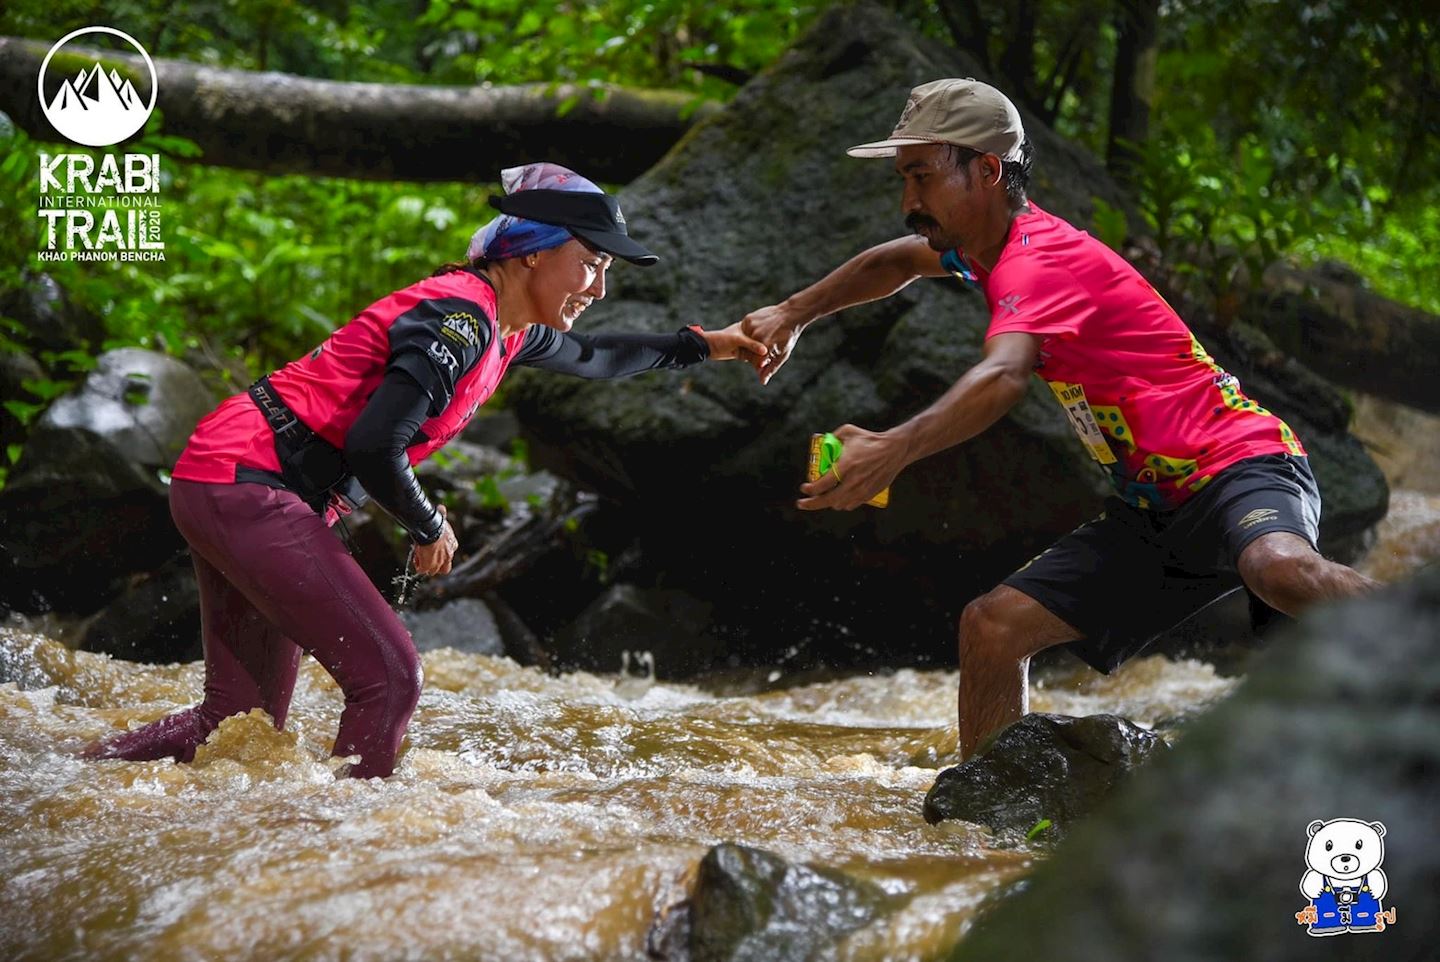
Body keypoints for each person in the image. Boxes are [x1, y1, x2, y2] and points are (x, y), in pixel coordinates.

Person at [740, 80, 1378, 760]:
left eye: (921, 177)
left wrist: (895, 449)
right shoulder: (981, 249)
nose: (908, 202)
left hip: (1238, 464)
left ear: (986, 170)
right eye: (904, 179)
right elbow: (893, 262)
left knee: (1276, 567)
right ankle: (990, 810)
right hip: (1155, 507)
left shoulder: (1040, 262)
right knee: (991, 628)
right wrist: (791, 313)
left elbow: (1003, 375)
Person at [83, 163, 765, 779]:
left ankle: (65, 775)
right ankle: (344, 856)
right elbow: (376, 443)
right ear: (531, 253)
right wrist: (426, 522)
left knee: (236, 728)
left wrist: (705, 347)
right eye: (589, 264)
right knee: (390, 676)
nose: (600, 286)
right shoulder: (458, 322)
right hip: (250, 481)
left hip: (227, 478)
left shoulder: (505, 329)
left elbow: (597, 357)